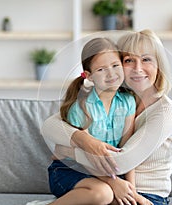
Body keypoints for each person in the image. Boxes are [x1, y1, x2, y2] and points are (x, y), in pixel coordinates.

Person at [41, 29, 172, 205]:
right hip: (108, 183)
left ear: (159, 65)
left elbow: (121, 161)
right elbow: (50, 126)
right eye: (129, 60)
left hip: (146, 194)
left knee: (102, 194)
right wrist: (84, 140)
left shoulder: (166, 111)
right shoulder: (116, 98)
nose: (138, 68)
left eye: (146, 59)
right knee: (102, 194)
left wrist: (68, 150)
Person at [47, 37, 137, 205]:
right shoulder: (81, 106)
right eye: (101, 69)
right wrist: (114, 182)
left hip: (105, 173)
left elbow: (128, 151)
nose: (111, 73)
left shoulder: (127, 102)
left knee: (121, 199)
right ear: (89, 76)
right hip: (70, 169)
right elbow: (84, 157)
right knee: (104, 194)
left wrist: (132, 191)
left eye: (115, 66)